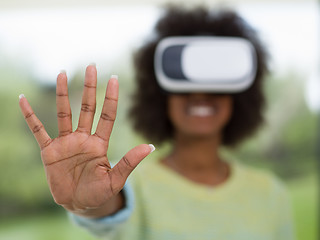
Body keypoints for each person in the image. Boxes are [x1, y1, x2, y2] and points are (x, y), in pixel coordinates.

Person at [19, 5, 295, 240]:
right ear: (159, 94)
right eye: (184, 81)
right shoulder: (132, 184)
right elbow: (108, 208)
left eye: (215, 81)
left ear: (241, 94)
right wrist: (88, 206)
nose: (199, 94)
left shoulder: (272, 194)